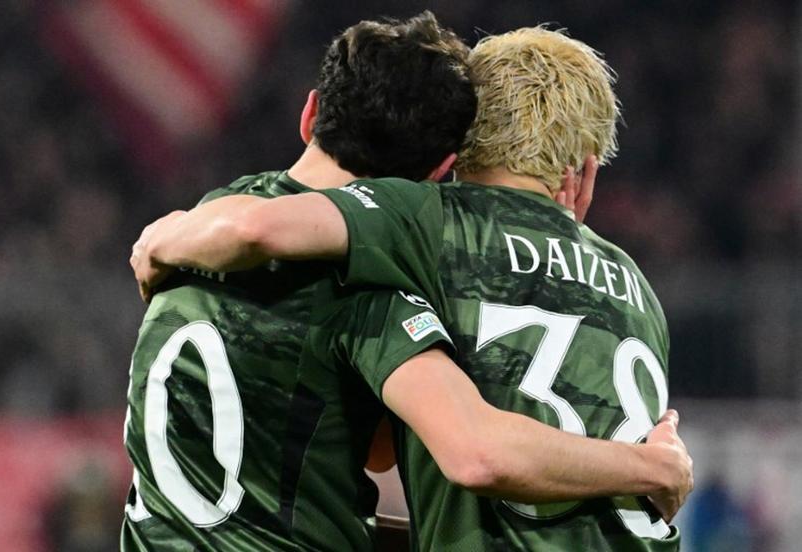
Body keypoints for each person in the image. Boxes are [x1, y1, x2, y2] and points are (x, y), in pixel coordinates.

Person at [132, 27, 692, 551]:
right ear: (585, 174)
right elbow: (450, 453)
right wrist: (653, 467)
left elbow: (254, 229)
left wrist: (157, 241)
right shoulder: (636, 284)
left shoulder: (412, 225)